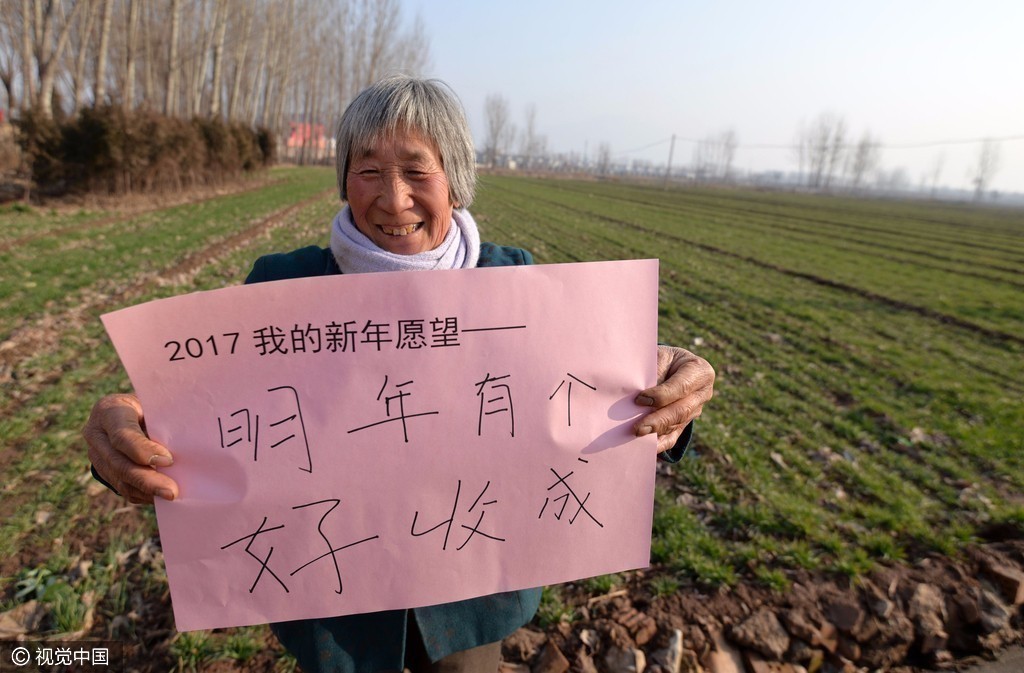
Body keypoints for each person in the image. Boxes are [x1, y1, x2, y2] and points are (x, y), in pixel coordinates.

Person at [84, 75, 715, 673]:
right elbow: (192, 415)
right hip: (333, 603)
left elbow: (595, 394)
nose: (393, 198)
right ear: (343, 181)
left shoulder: (514, 285)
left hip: (475, 594)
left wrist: (665, 385)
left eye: (417, 170)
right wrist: (124, 428)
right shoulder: (280, 289)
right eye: (367, 171)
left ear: (457, 182)